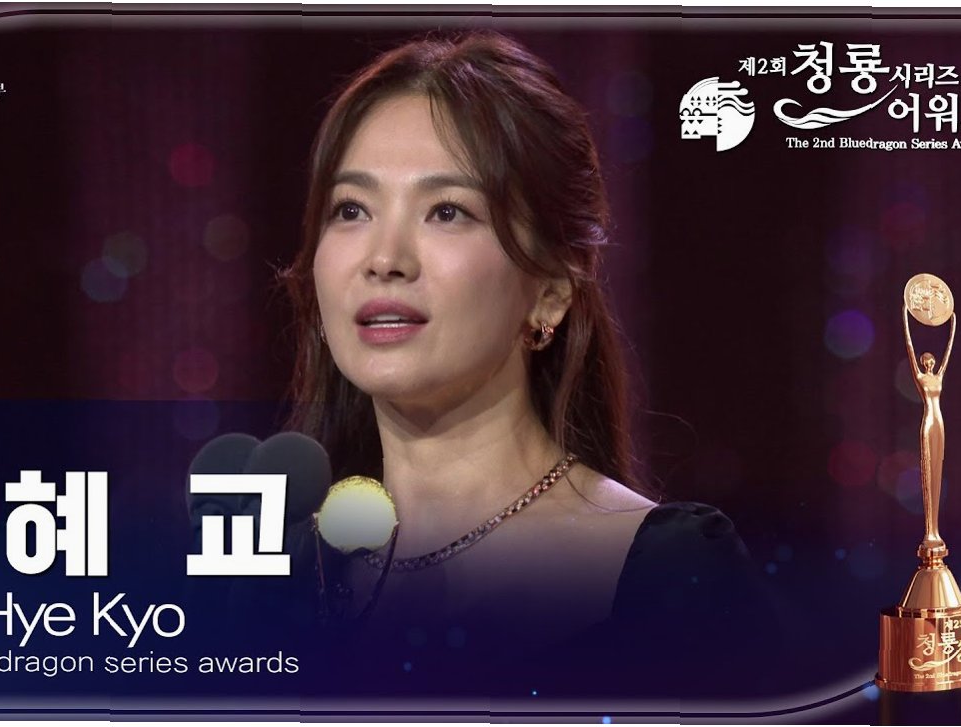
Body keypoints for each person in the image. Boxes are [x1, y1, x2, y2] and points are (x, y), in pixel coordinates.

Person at [280, 31, 777, 698]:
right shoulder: (277, 579)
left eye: (446, 211)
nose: (384, 258)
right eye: (351, 210)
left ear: (550, 291)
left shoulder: (670, 578)